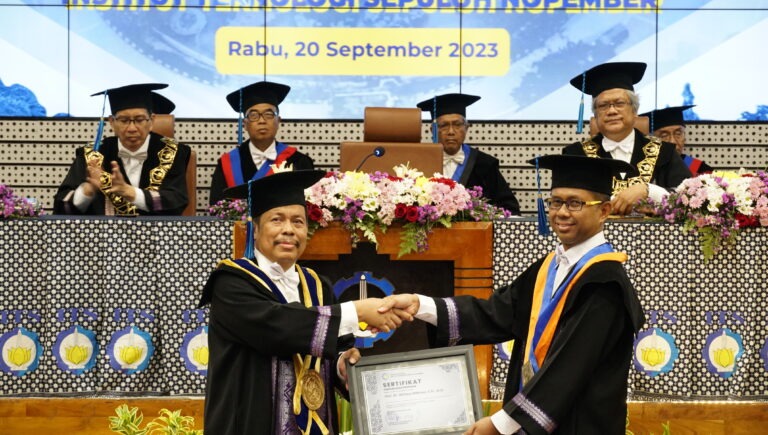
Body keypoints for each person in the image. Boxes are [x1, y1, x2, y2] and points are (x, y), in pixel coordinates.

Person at [380, 155, 645, 435]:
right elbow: (497, 313)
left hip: (580, 424)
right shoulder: (550, 266)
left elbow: (570, 366)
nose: (561, 212)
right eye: (555, 202)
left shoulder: (604, 282)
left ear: (604, 211)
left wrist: (502, 424)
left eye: (575, 203)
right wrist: (420, 304)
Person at [198, 168, 413, 434]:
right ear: (255, 229)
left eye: (298, 222)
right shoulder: (231, 282)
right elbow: (278, 327)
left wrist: (342, 366)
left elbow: (334, 347)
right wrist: (357, 310)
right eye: (277, 220)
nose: (288, 230)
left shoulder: (317, 285)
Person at [562, 62, 692, 215]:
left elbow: (689, 199)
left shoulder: (665, 152)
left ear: (634, 110)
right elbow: (566, 204)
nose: (612, 111)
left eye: (619, 103)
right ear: (595, 115)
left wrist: (649, 191)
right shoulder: (575, 155)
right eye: (603, 105)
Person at [54, 83, 191, 215]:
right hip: (104, 230)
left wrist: (129, 192)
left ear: (152, 121)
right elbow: (61, 208)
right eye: (124, 120)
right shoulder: (92, 154)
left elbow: (177, 201)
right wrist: (87, 191)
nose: (132, 128)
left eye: (139, 120)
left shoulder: (173, 152)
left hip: (156, 230)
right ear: (112, 122)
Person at [208, 81, 315, 206]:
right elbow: (217, 209)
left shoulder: (298, 161)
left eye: (269, 114)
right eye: (254, 115)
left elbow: (309, 207)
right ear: (245, 124)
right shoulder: (227, 164)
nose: (262, 121)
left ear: (278, 121)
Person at [417, 93, 521, 215]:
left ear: (466, 128)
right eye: (444, 126)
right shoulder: (420, 163)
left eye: (457, 125)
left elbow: (510, 208)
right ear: (432, 130)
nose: (451, 132)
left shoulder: (485, 164)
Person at [640, 105, 714, 176]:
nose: (673, 141)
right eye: (664, 135)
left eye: (678, 134)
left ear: (684, 137)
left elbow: (716, 182)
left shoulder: (698, 168)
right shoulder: (642, 170)